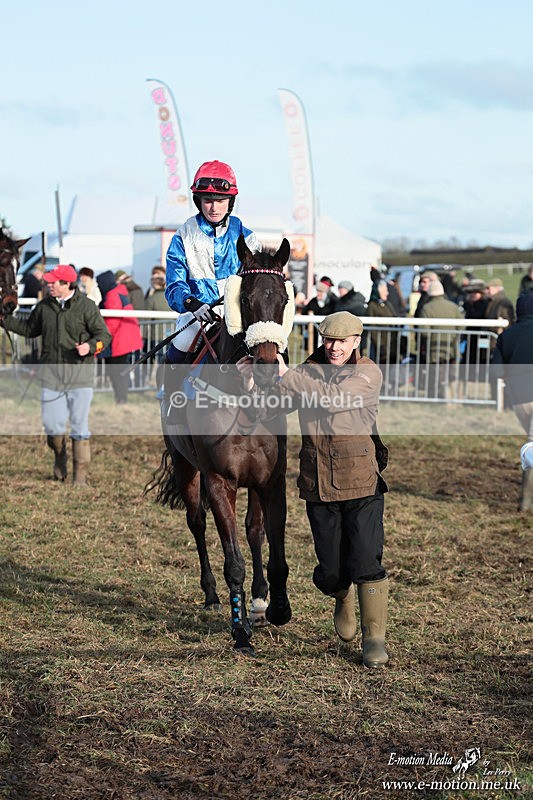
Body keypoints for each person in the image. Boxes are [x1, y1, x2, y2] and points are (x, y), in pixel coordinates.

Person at [237, 311, 390, 668]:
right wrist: (252, 385)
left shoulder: (368, 373)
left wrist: (285, 375)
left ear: (356, 342)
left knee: (366, 560)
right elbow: (272, 407)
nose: (335, 347)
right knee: (332, 572)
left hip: (361, 483)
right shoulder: (305, 372)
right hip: (318, 485)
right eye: (329, 340)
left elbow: (334, 398)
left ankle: (375, 640)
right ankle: (342, 597)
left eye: (343, 341)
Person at [1, 264, 110, 484]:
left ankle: (79, 478)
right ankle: (60, 456)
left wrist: (90, 346)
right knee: (52, 427)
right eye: (49, 281)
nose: (49, 285)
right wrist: (5, 320)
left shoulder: (87, 307)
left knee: (79, 426)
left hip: (80, 378)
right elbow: (29, 329)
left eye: (53, 282)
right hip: (51, 377)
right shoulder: (44, 307)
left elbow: (104, 336)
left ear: (66, 284)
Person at [165, 159, 261, 364]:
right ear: (198, 201)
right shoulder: (183, 236)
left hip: (238, 315)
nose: (214, 207)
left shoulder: (248, 239)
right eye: (207, 200)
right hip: (198, 314)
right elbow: (174, 284)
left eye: (220, 200)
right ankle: (169, 393)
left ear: (230, 202)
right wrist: (192, 303)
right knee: (182, 341)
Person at [492, 290, 533, 511]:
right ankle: (526, 502)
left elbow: (496, 371)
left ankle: (527, 500)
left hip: (520, 400)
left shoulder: (506, 335)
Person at [96, 270, 143, 404]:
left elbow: (112, 322)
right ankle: (121, 397)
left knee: (117, 372)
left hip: (120, 340)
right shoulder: (118, 293)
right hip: (124, 338)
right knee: (119, 371)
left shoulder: (112, 296)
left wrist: (102, 337)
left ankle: (121, 398)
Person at [419, 280, 464, 398]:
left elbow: (424, 332)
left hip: (435, 349)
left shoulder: (427, 308)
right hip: (452, 348)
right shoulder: (454, 307)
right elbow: (462, 327)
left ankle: (447, 400)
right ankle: (455, 399)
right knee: (452, 375)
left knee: (441, 377)